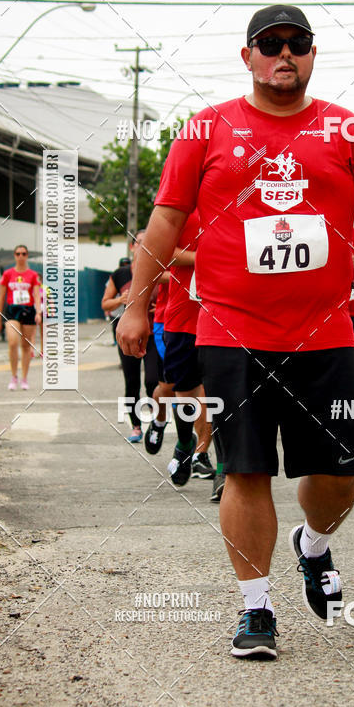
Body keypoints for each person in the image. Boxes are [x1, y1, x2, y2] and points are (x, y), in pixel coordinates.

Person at [116, 4, 354, 660]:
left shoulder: (346, 128)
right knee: (244, 469)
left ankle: (316, 544)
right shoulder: (205, 129)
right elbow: (163, 224)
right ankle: (256, 609)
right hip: (229, 330)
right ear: (246, 55)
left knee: (341, 472)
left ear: (312, 53)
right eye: (269, 43)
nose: (284, 53)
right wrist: (136, 305)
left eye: (297, 43)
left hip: (326, 332)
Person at [143, 210, 221, 500]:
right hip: (179, 320)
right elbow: (162, 254)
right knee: (175, 387)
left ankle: (214, 462)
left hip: (227, 318)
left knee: (218, 393)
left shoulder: (240, 207)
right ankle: (181, 438)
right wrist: (206, 258)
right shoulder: (184, 214)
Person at [101, 231, 159, 442]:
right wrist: (121, 300)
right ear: (133, 247)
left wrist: (158, 308)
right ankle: (136, 425)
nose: (144, 246)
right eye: (140, 243)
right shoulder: (121, 274)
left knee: (153, 380)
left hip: (153, 333)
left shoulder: (158, 270)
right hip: (126, 333)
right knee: (131, 381)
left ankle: (155, 421)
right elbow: (105, 303)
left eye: (148, 243)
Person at [0, 246, 41, 390]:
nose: (21, 256)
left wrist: (39, 312)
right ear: (14, 255)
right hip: (12, 311)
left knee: (26, 346)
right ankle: (14, 376)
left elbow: (36, 295)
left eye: (24, 254)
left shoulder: (33, 275)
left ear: (27, 256)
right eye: (18, 253)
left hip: (28, 311)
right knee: (13, 342)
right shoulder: (8, 274)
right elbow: (1, 297)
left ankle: (24, 378)